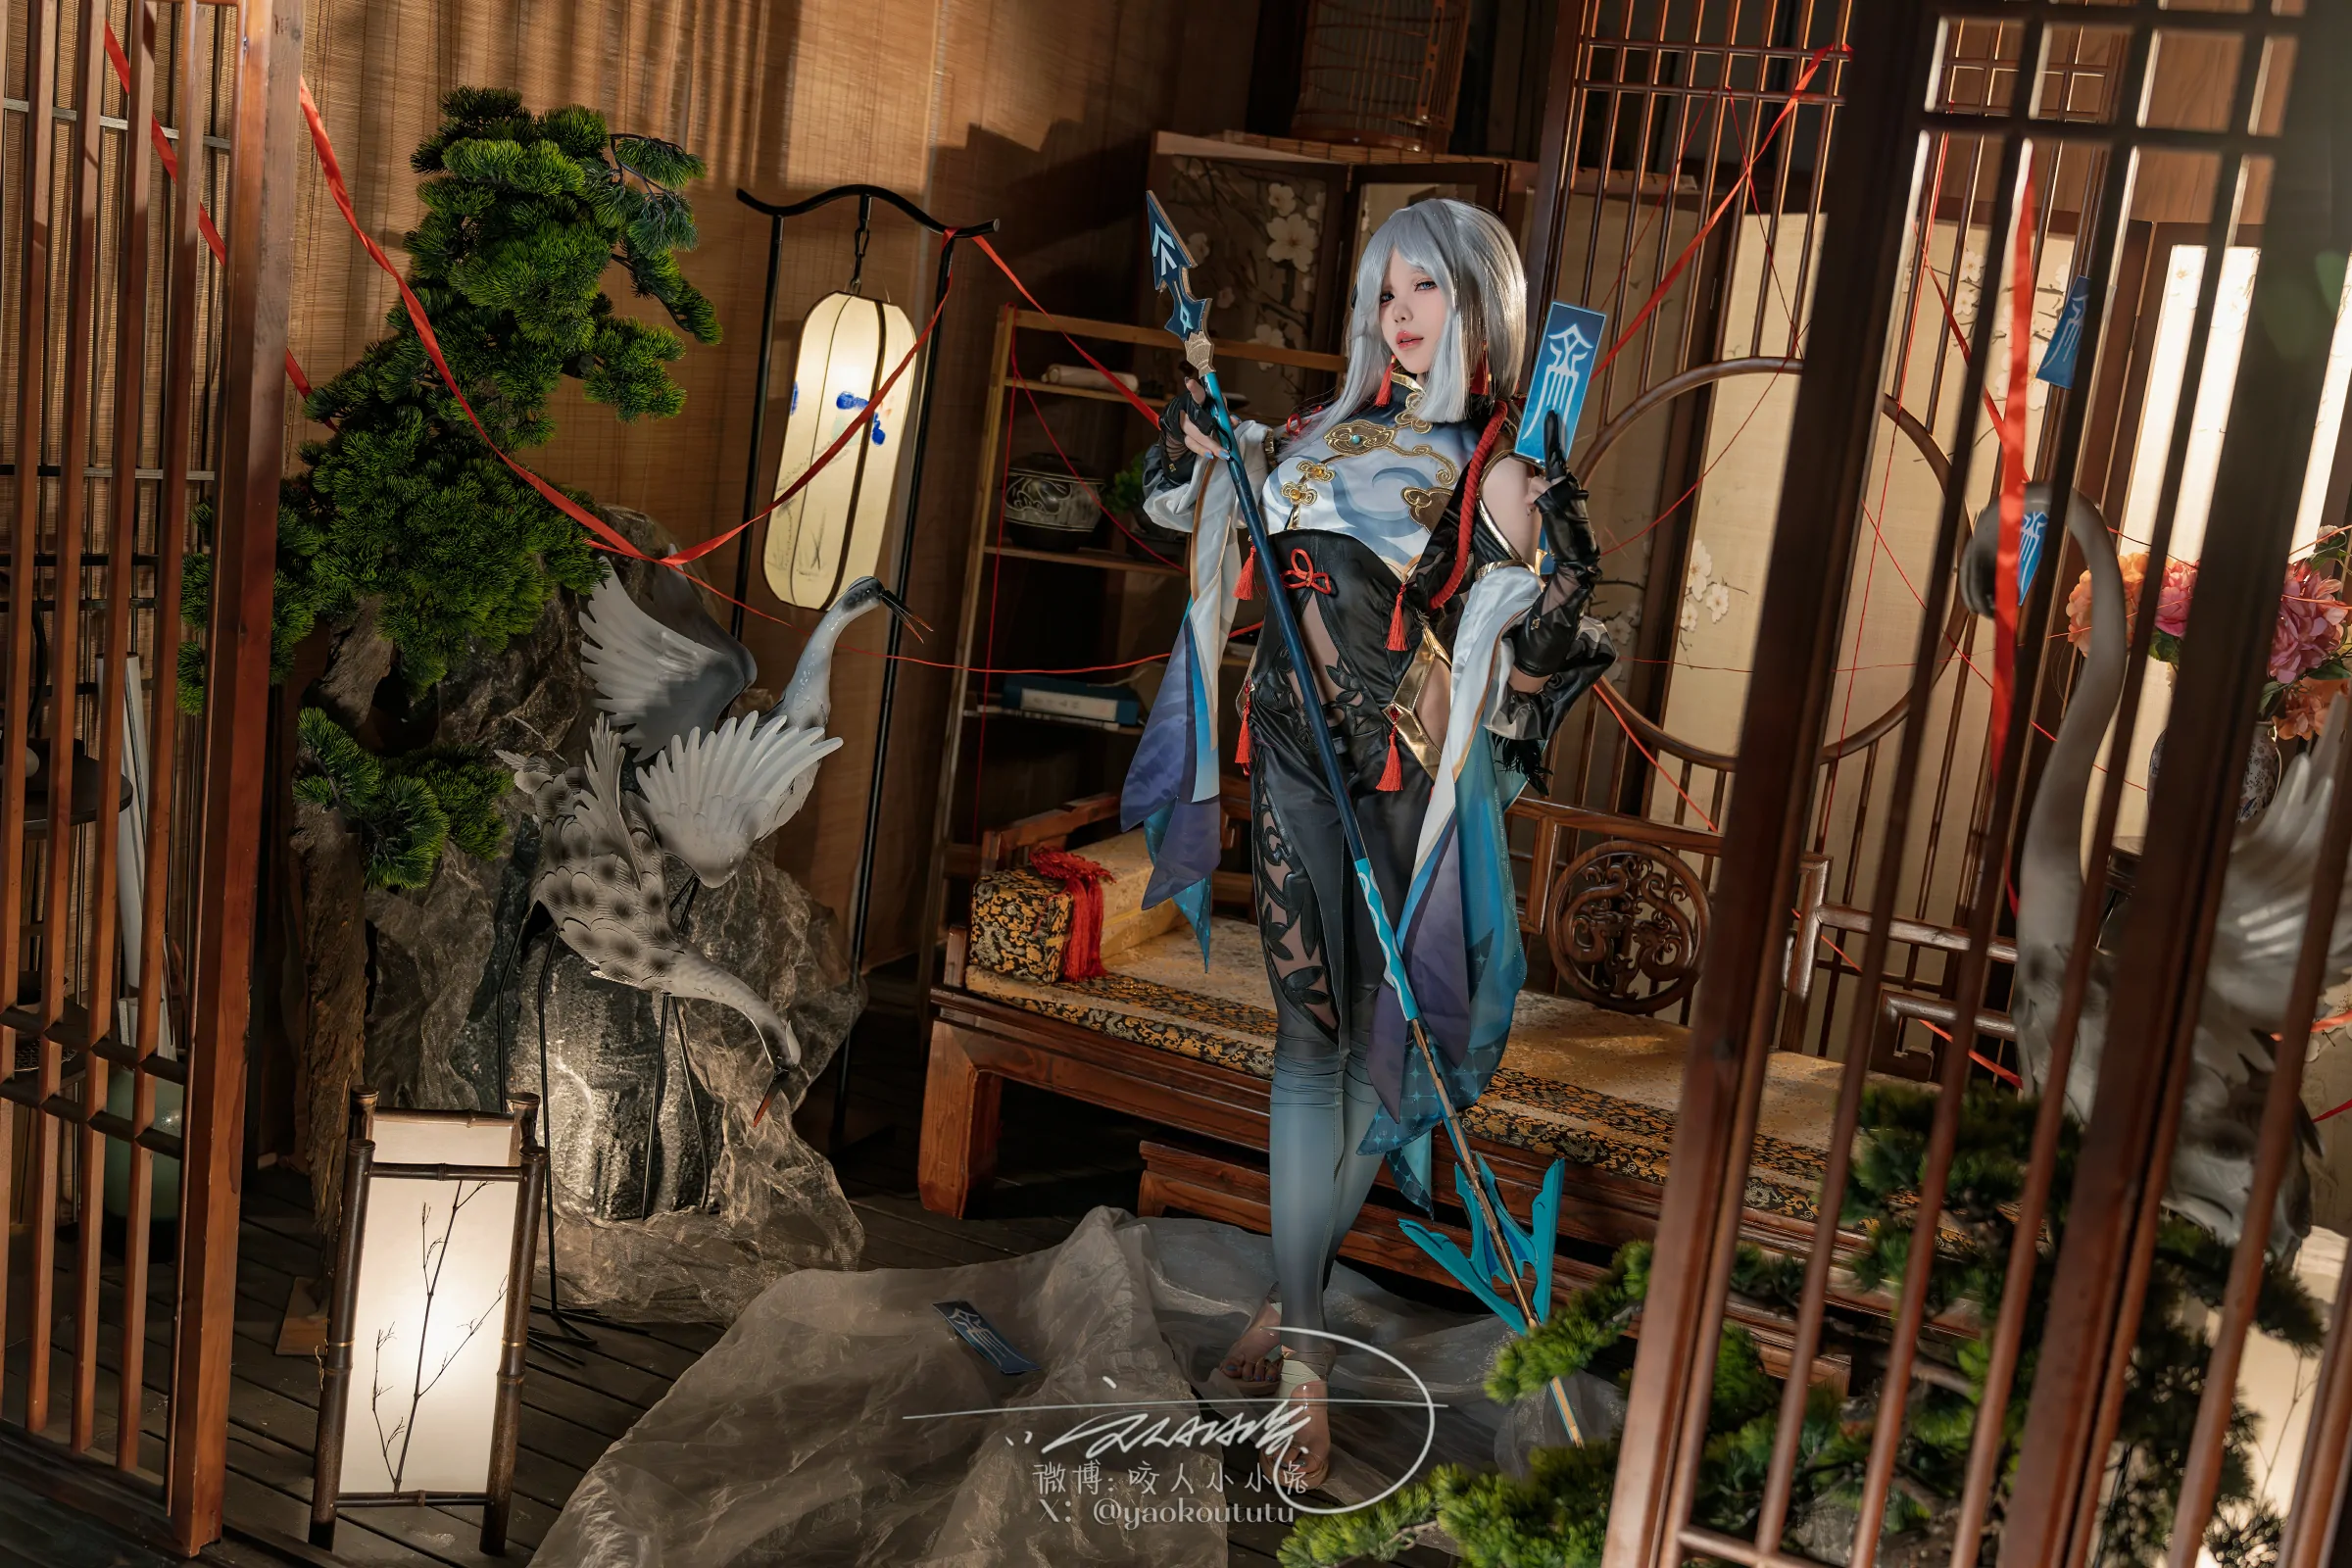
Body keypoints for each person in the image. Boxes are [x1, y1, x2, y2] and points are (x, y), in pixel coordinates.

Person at [1119, 198, 1614, 1493]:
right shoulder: (1306, 435)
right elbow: (1175, 510)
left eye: (1428, 289)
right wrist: (1195, 442)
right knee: (1309, 1038)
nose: (1401, 315)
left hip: (1399, 766)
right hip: (1288, 750)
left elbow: (1541, 656)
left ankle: (1297, 1330)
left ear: (1482, 303)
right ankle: (1302, 1342)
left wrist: (1547, 540)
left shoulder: (1492, 460)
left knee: (1388, 1046)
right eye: (1386, 291)